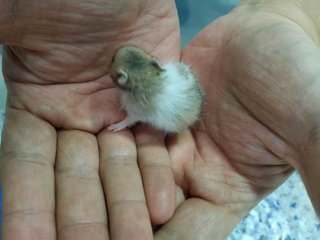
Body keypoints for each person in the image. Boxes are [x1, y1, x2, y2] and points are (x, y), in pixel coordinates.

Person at [0, 0, 319, 239]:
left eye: (113, 68)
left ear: (123, 79)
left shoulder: (137, 100)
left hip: (178, 117)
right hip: (183, 94)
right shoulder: (158, 71)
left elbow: (136, 114)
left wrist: (123, 123)